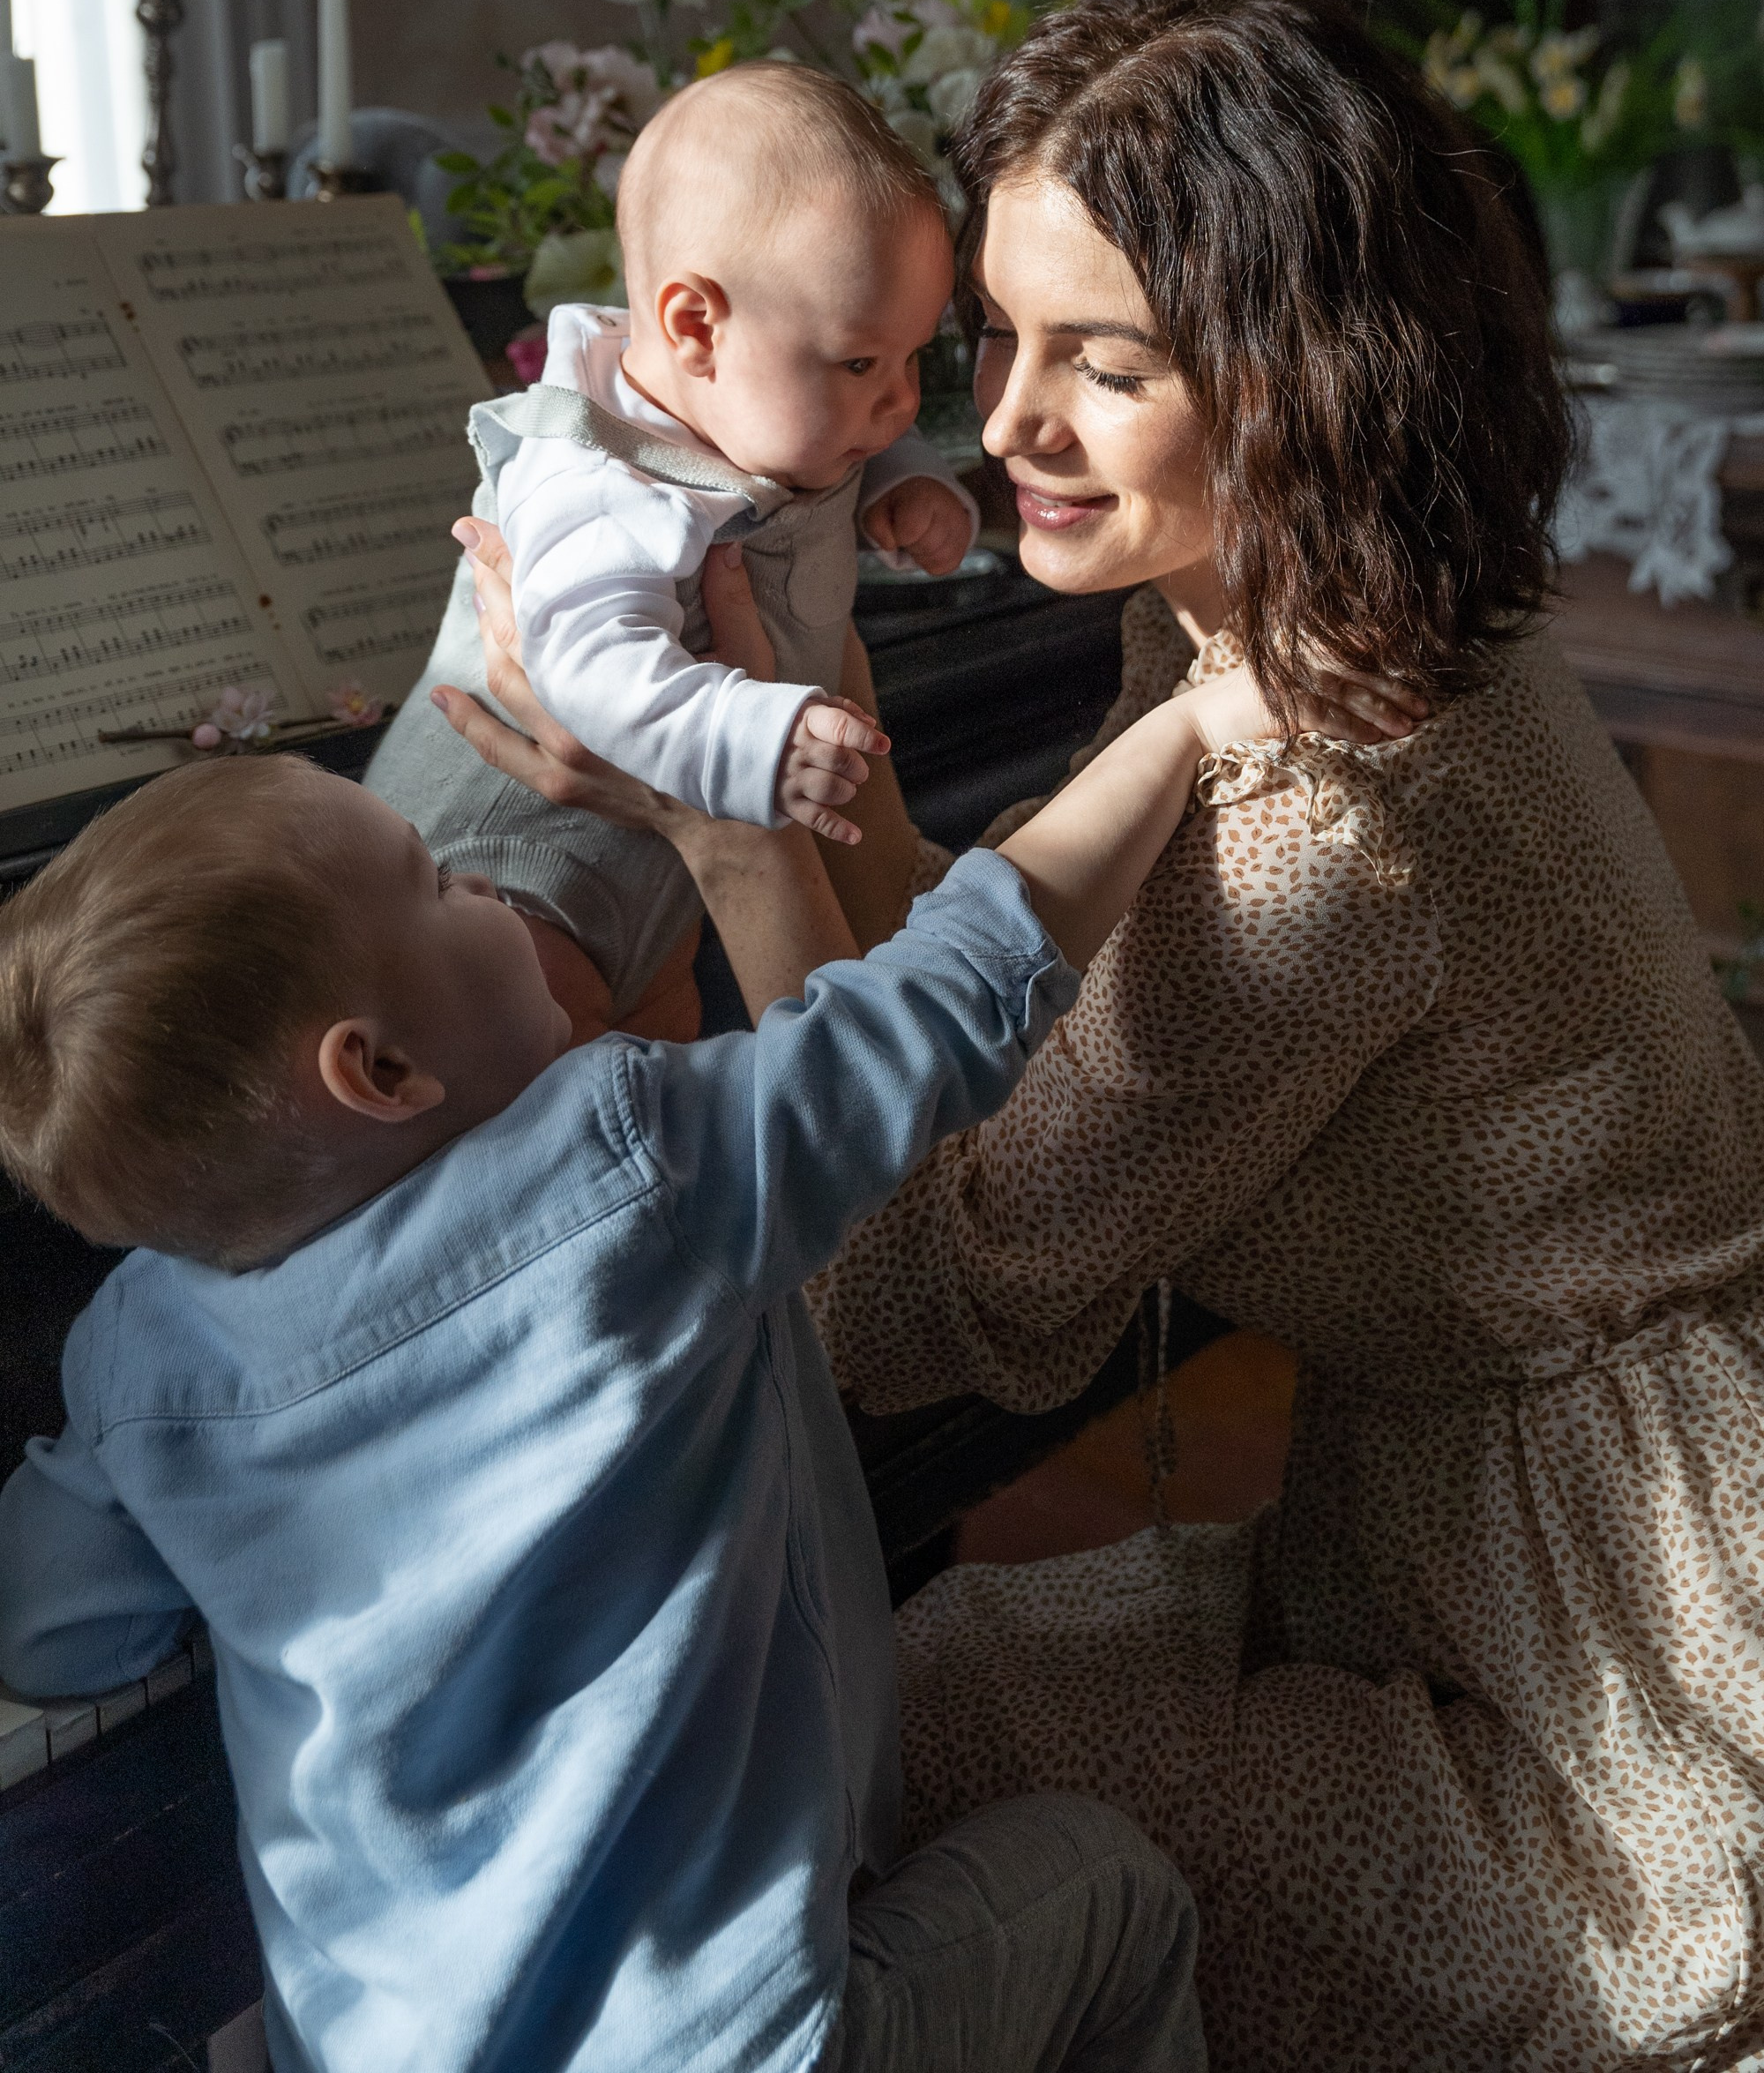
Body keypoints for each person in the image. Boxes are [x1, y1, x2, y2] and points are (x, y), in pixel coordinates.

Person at [436, 0, 1764, 2073]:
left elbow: (911, 1305)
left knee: (905, 1721)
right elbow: (1017, 1019)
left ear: (1299, 379)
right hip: (1460, 1527)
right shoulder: (1295, 601)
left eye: (1098, 361)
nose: (1001, 424)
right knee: (914, 1679)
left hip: (1611, 1675)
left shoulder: (1330, 800)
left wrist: (721, 843)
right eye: (995, 335)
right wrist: (834, 736)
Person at [0, 612, 1406, 2073]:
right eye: (438, 882)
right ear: (383, 1070)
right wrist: (1180, 728)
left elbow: (49, 1628)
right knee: (1111, 1893)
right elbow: (952, 993)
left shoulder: (130, 1361)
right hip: (741, 2050)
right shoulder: (625, 1169)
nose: (482, 875)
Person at [365, 62, 977, 1038]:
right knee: (564, 1061)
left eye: (914, 358)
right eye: (865, 363)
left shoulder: (757, 402)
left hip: (652, 873)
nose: (900, 400)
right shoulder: (599, 480)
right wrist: (750, 738)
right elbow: (584, 667)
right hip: (518, 880)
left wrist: (901, 475)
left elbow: (818, 434)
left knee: (673, 1074)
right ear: (694, 327)